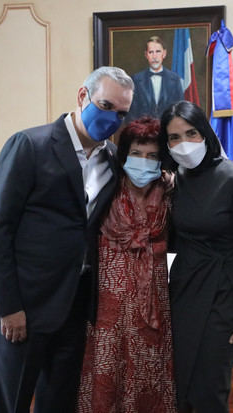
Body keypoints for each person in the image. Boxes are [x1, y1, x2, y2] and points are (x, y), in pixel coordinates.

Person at [0, 66, 134, 413]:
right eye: (105, 106)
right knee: (11, 403)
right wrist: (10, 307)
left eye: (121, 113)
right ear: (82, 97)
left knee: (59, 402)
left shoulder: (114, 161)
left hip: (74, 305)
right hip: (23, 305)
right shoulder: (30, 145)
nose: (113, 119)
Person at [159, 101, 233, 413]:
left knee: (209, 386)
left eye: (191, 133)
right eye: (174, 137)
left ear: (205, 133)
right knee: (180, 383)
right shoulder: (176, 181)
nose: (183, 144)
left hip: (225, 290)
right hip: (183, 286)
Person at [76, 116, 176, 413]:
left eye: (152, 156)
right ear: (124, 154)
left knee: (149, 368)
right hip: (110, 302)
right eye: (136, 153)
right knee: (108, 370)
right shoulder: (106, 186)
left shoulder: (170, 190)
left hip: (152, 302)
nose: (144, 162)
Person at [127, 36, 184, 122]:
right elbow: (131, 113)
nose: (154, 56)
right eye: (151, 52)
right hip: (143, 132)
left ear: (164, 54)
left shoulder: (175, 79)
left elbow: (180, 111)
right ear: (146, 55)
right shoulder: (136, 80)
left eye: (158, 51)